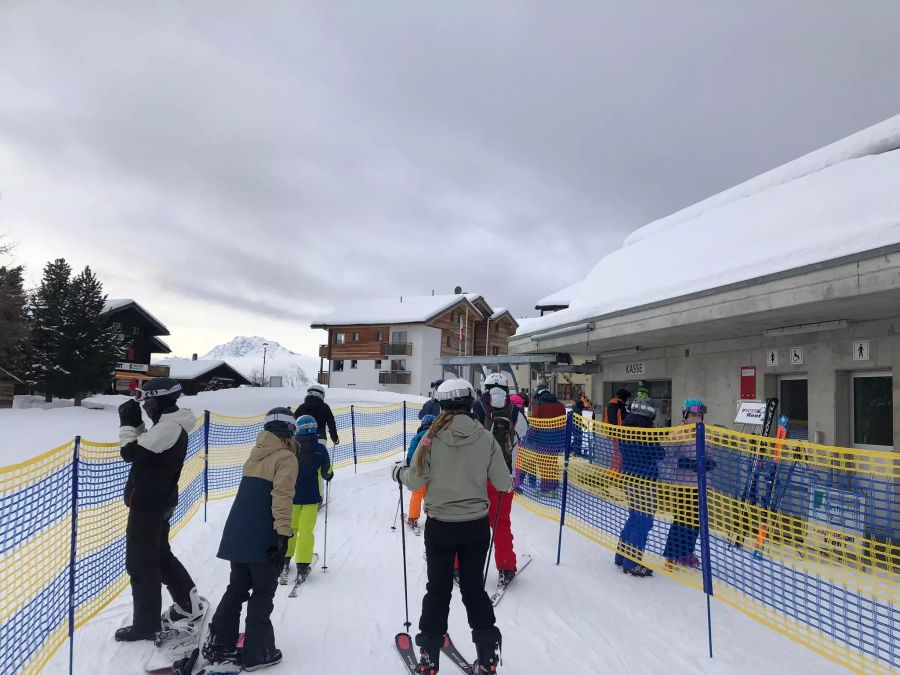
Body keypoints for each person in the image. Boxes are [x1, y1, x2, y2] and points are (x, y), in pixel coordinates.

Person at [392, 378, 512, 674]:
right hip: (475, 526)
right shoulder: (485, 438)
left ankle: (429, 658)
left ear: (442, 403)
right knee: (474, 589)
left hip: (441, 525)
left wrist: (399, 473)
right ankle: (487, 658)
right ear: (470, 402)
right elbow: (504, 483)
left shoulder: (430, 438)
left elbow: (416, 480)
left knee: (438, 589)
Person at [204, 408, 299, 671]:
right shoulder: (286, 457)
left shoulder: (256, 455)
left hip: (239, 534)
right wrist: (283, 534)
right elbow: (281, 497)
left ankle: (221, 642)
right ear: (291, 431)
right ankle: (260, 652)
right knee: (262, 591)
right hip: (263, 535)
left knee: (237, 587)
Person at [115, 378, 204, 642]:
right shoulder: (169, 425)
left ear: (160, 401)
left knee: (141, 565)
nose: (146, 407)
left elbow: (131, 452)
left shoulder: (169, 427)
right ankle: (189, 604)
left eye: (148, 402)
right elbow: (150, 444)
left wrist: (127, 427)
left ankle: (145, 625)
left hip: (149, 506)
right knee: (160, 556)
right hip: (159, 501)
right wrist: (138, 426)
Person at [472, 373, 528, 581]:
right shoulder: (515, 410)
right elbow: (524, 433)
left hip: (476, 475)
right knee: (501, 523)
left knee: (469, 522)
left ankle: (461, 566)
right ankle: (506, 567)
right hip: (504, 476)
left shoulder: (476, 407)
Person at [615, 398, 665, 577]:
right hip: (645, 481)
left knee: (635, 517)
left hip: (629, 478)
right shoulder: (647, 433)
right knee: (644, 520)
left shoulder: (625, 428)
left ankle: (621, 556)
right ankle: (632, 562)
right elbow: (660, 454)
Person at [663, 398, 715, 570]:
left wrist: (709, 464)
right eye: (693, 415)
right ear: (685, 415)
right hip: (683, 484)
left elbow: (710, 455)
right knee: (682, 519)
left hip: (701, 484)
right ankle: (672, 553)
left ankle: (687, 552)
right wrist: (686, 463)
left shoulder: (705, 433)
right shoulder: (678, 433)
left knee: (695, 520)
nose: (697, 418)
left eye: (699, 415)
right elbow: (668, 457)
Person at [282, 415, 334, 582]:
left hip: (292, 496)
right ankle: (302, 565)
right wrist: (329, 473)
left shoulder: (290, 447)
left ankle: (284, 560)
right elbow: (327, 474)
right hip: (311, 497)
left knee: (290, 529)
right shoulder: (320, 449)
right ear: (314, 429)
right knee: (306, 531)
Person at [524, 384, 566, 494]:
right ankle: (553, 488)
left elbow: (535, 425)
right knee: (553, 464)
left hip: (543, 440)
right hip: (557, 440)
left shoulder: (539, 405)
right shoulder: (561, 406)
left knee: (544, 465)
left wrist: (529, 438)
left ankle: (545, 490)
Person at [406, 414, 437, 529]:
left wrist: (409, 463)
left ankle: (413, 518)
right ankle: (432, 516)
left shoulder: (418, 436)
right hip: (432, 470)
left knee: (417, 493)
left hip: (419, 470)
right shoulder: (437, 437)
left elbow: (412, 451)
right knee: (430, 494)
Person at [605, 388, 631, 473]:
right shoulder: (618, 406)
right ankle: (614, 473)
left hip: (614, 434)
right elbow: (619, 420)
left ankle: (614, 472)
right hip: (619, 435)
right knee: (619, 454)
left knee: (618, 454)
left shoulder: (612, 404)